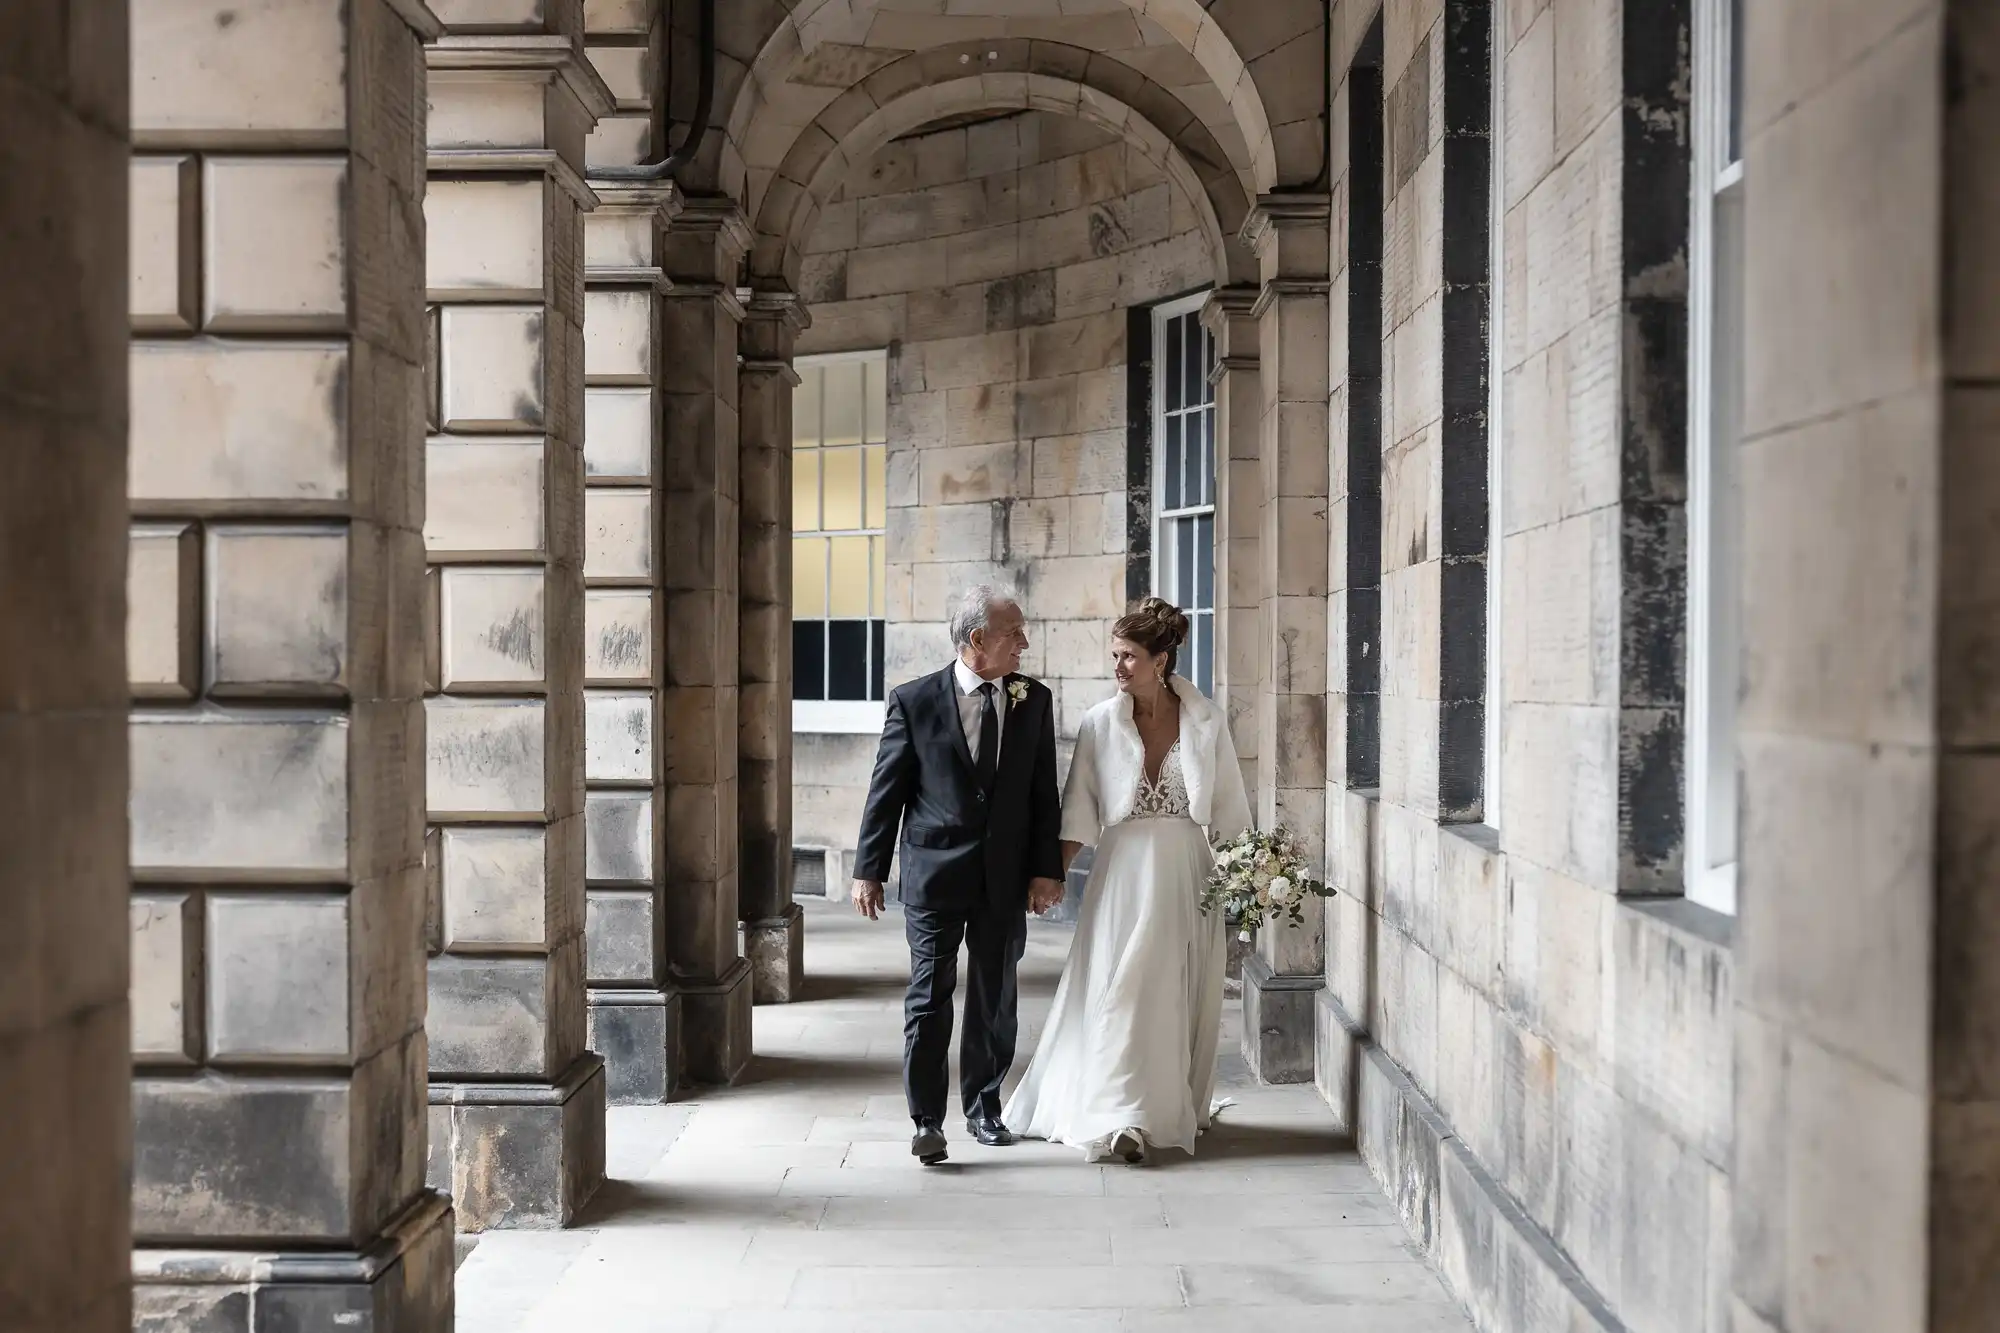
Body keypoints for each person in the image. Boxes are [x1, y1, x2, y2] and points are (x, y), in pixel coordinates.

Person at [1002, 598, 1251, 1163]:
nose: (1118, 667)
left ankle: (1157, 1108)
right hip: (1123, 875)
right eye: (1115, 655)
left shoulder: (1206, 721)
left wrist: (1249, 877)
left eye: (1129, 657)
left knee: (1167, 992)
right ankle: (1120, 1116)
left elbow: (1232, 805)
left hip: (1187, 871)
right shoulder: (1099, 722)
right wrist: (1051, 877)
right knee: (1124, 986)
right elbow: (1079, 811)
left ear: (1160, 660)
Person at [851, 586, 1065, 1166]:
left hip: (1004, 877)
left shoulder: (1033, 700)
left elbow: (1044, 794)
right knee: (929, 995)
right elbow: (886, 791)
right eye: (1013, 632)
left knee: (995, 995)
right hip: (933, 873)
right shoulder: (913, 701)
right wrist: (868, 870)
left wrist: (1048, 870)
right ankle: (926, 1120)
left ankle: (984, 1106)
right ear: (977, 640)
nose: (1024, 641)